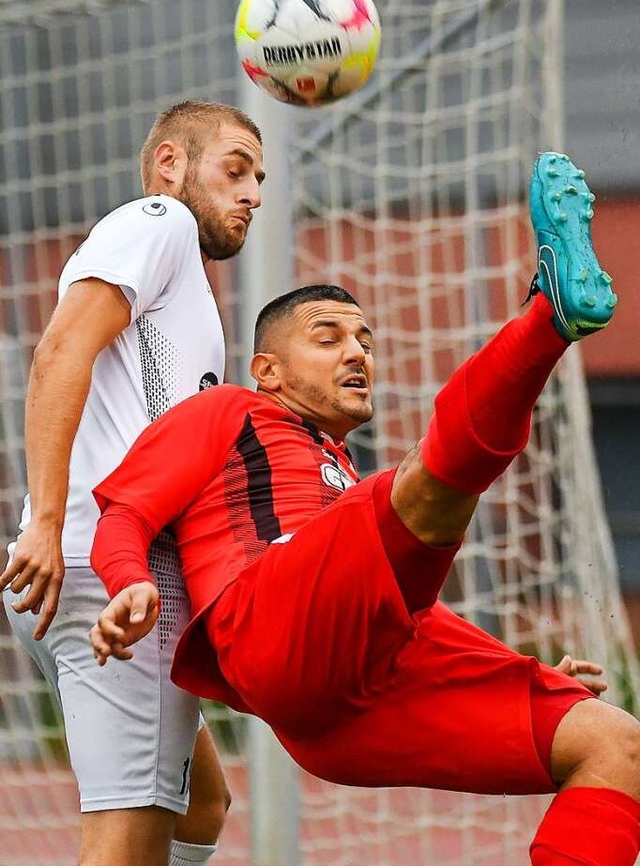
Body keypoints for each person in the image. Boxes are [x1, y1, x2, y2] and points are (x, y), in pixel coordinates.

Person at [90, 152, 640, 866]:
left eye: (364, 340)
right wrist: (127, 579)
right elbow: (123, 513)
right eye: (327, 337)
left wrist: (512, 670)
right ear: (268, 370)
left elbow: (398, 607)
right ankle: (546, 319)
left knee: (611, 740)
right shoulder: (228, 410)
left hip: (352, 704)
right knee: (414, 492)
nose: (357, 353)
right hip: (268, 624)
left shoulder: (342, 480)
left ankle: (550, 313)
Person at [0, 100, 266, 866]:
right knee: (125, 843)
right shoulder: (161, 223)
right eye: (235, 168)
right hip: (109, 575)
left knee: (202, 807)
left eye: (260, 179)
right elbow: (57, 355)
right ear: (170, 165)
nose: (252, 192)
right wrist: (45, 524)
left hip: (93, 571)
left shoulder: (185, 292)